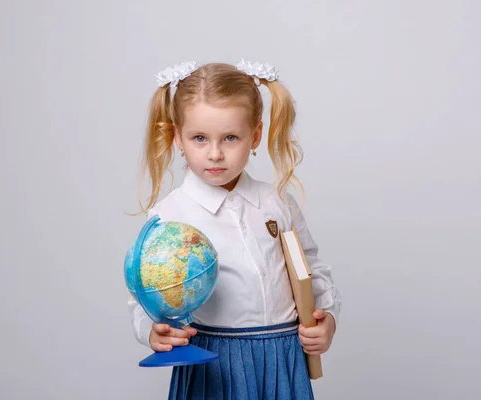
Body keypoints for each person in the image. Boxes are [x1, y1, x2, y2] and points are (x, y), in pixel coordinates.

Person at [128, 59, 342, 399]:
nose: (215, 154)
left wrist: (326, 318)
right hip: (214, 362)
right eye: (199, 138)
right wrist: (153, 332)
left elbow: (311, 270)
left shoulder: (276, 202)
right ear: (177, 138)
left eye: (230, 138)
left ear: (254, 135)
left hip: (282, 355)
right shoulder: (169, 216)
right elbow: (145, 294)